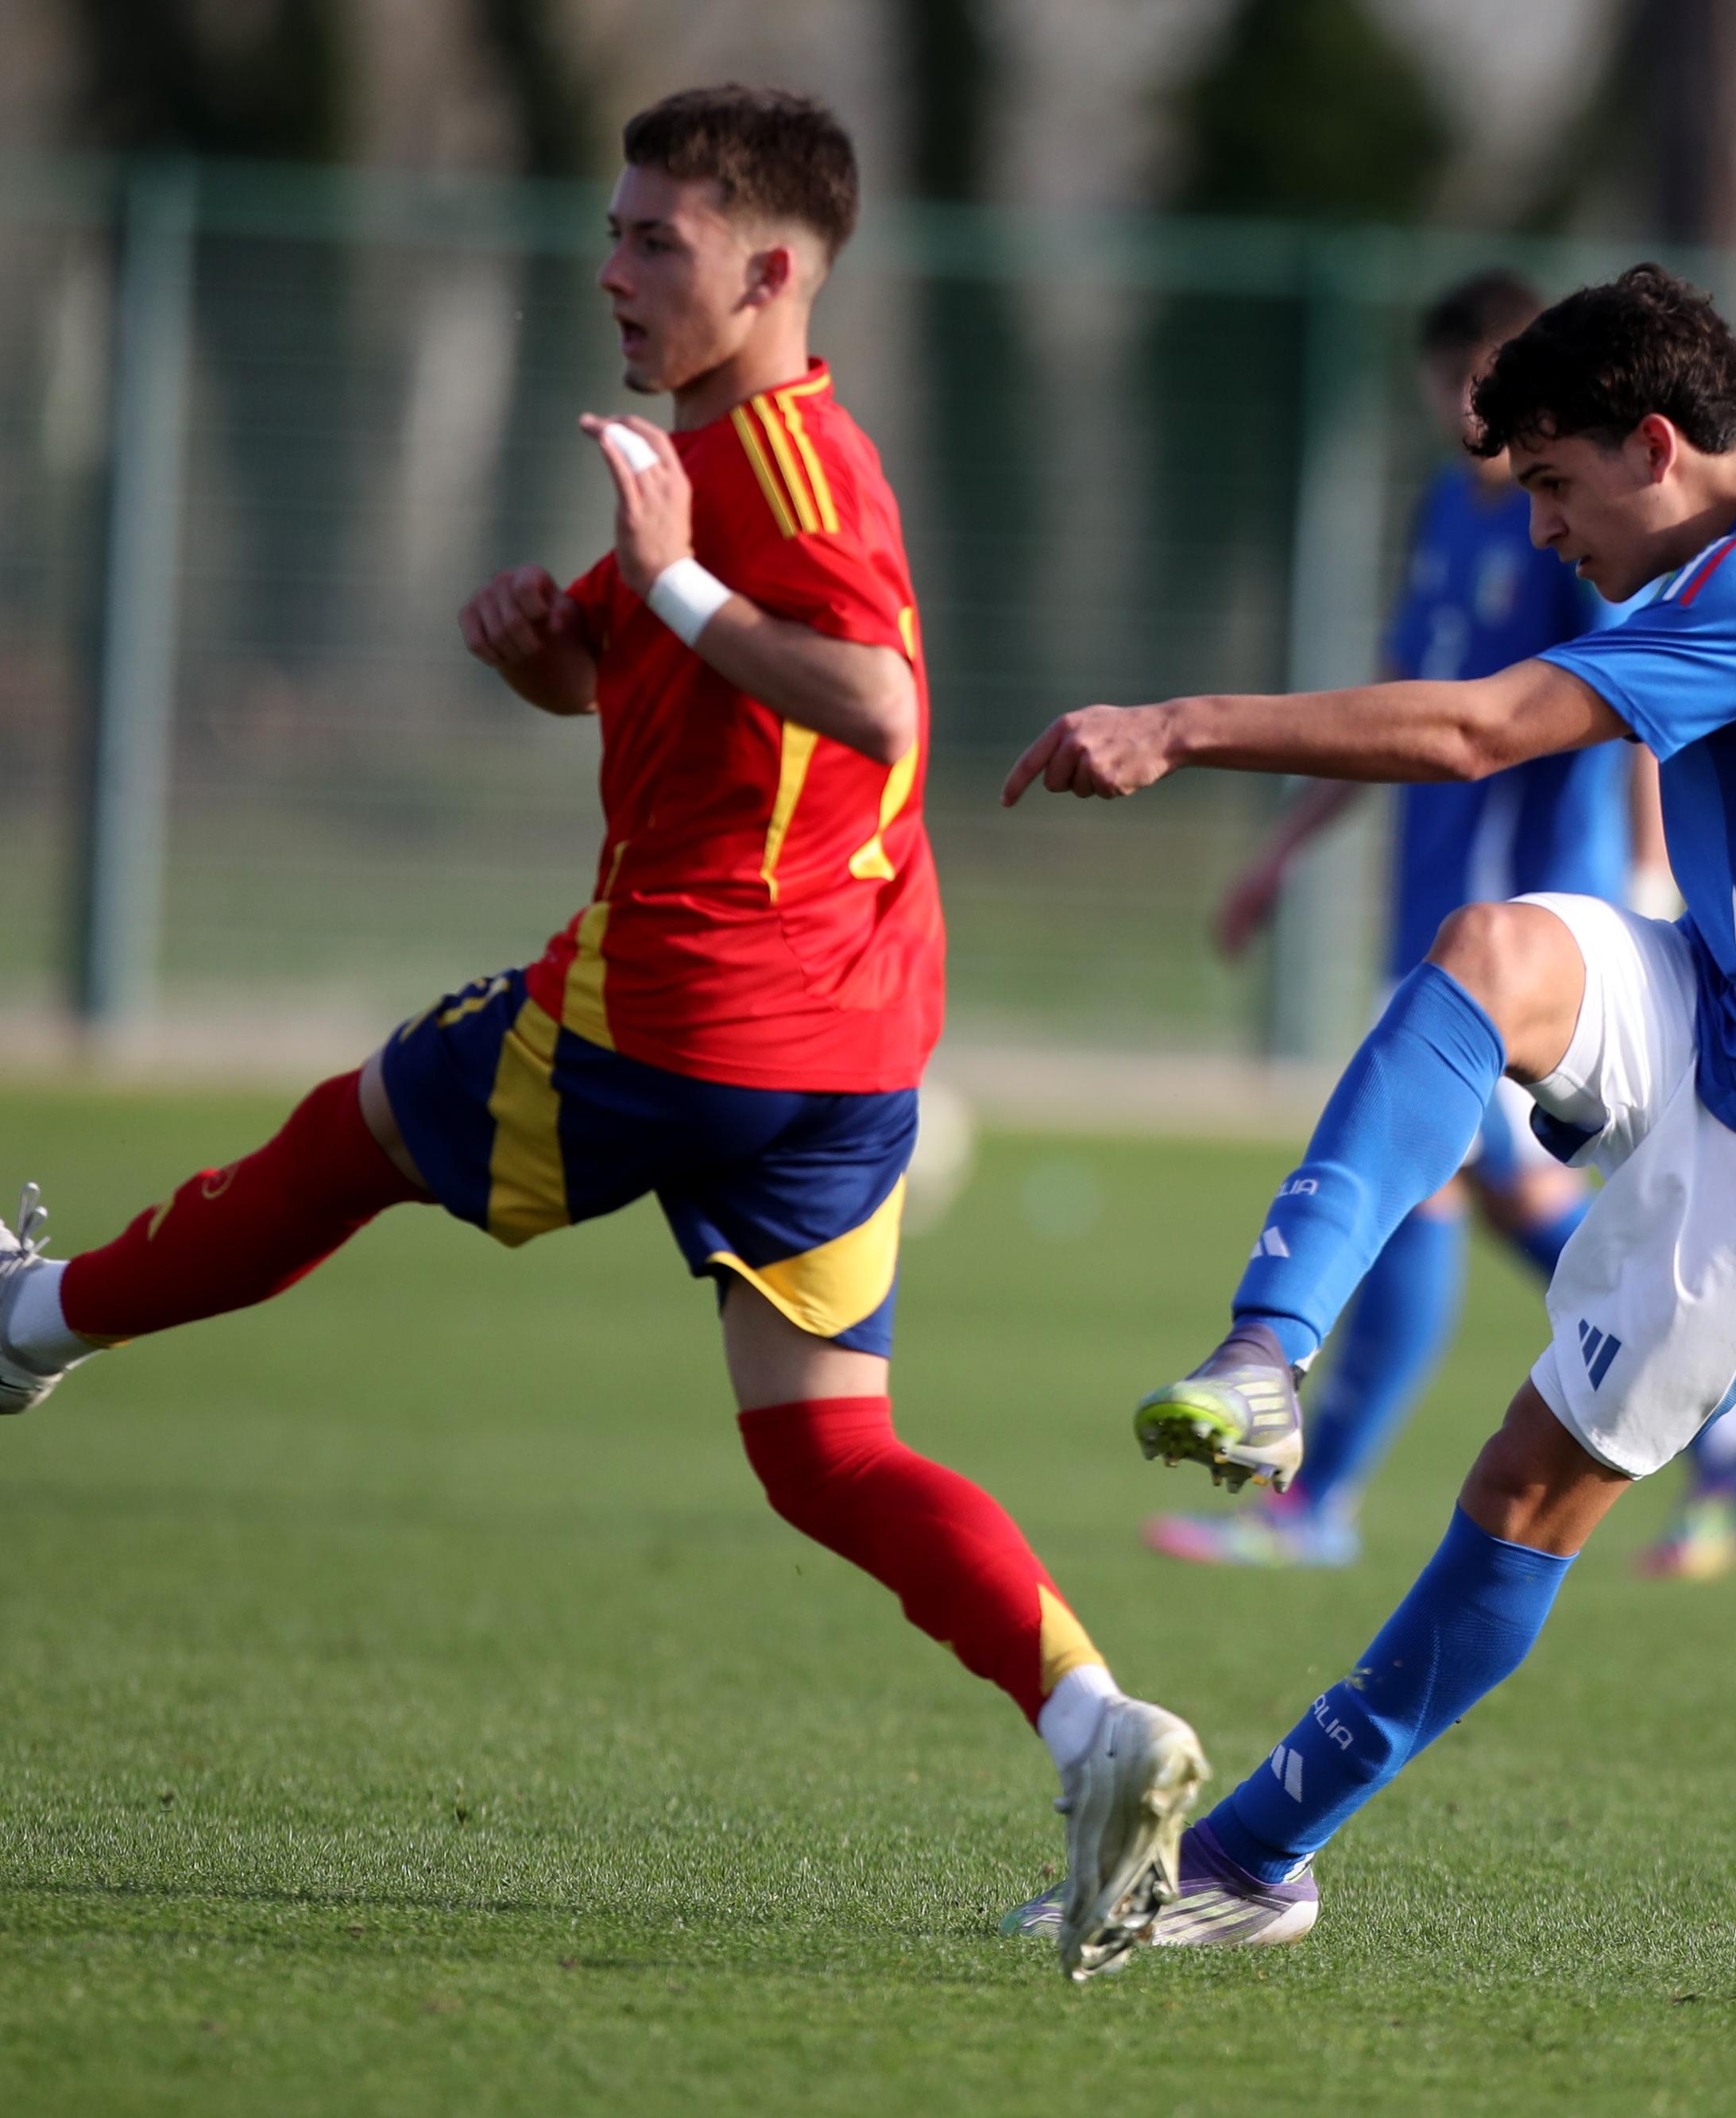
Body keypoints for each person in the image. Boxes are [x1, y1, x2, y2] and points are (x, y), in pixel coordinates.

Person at [0, 84, 1202, 1985]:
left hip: (687, 1003)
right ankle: (1094, 1723)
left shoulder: (785, 472)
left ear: (774, 271)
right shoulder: (709, 451)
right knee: (828, 1450)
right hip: (850, 1043)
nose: (613, 270)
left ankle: (27, 1324)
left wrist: (668, 581)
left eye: (658, 239)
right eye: (616, 230)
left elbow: (876, 701)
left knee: (345, 1138)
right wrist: (541, 644)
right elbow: (622, 660)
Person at [999, 264, 1736, 1950]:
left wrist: (1179, 723)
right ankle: (1262, 1355)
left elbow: (1474, 732)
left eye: (1551, 484)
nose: (1538, 529)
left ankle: (1247, 1866)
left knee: (1527, 1492)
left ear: (1654, 445)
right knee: (1493, 955)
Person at [1146, 269, 1736, 1578]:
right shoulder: (1449, 513)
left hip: (1533, 929)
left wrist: (1645, 880)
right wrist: (1281, 851)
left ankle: (1317, 1497)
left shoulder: (1565, 529)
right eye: (1453, 381)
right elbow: (1402, 702)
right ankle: (1734, 1449)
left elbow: (1633, 702)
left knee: (1438, 1181)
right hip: (1442, 916)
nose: (1471, 406)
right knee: (1484, 1193)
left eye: (1491, 379)